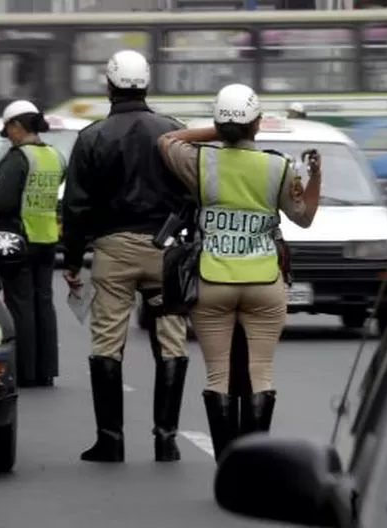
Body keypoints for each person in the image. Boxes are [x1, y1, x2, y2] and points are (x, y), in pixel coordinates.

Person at [157, 83, 322, 460]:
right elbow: (305, 218)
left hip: (212, 280)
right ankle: (255, 463)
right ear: (257, 125)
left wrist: (219, 130)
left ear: (219, 122)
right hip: (264, 282)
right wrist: (316, 176)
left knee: (218, 376)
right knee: (260, 372)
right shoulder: (277, 167)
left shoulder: (200, 162)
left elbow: (167, 139)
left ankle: (227, 462)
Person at [61, 49, 194, 463]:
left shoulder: (91, 137)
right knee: (171, 341)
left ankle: (111, 440)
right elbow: (194, 193)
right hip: (166, 250)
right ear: (148, 84)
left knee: (107, 342)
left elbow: (77, 207)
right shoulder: (174, 132)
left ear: (109, 85)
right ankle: (166, 439)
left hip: (113, 250)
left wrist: (71, 259)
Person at [0, 99, 62, 388]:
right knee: (44, 304)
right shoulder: (54, 155)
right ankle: (45, 370)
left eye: (8, 129)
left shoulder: (17, 158)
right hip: (47, 239)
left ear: (17, 126)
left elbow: (3, 201)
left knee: (20, 305)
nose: (8, 135)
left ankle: (25, 371)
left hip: (18, 241)